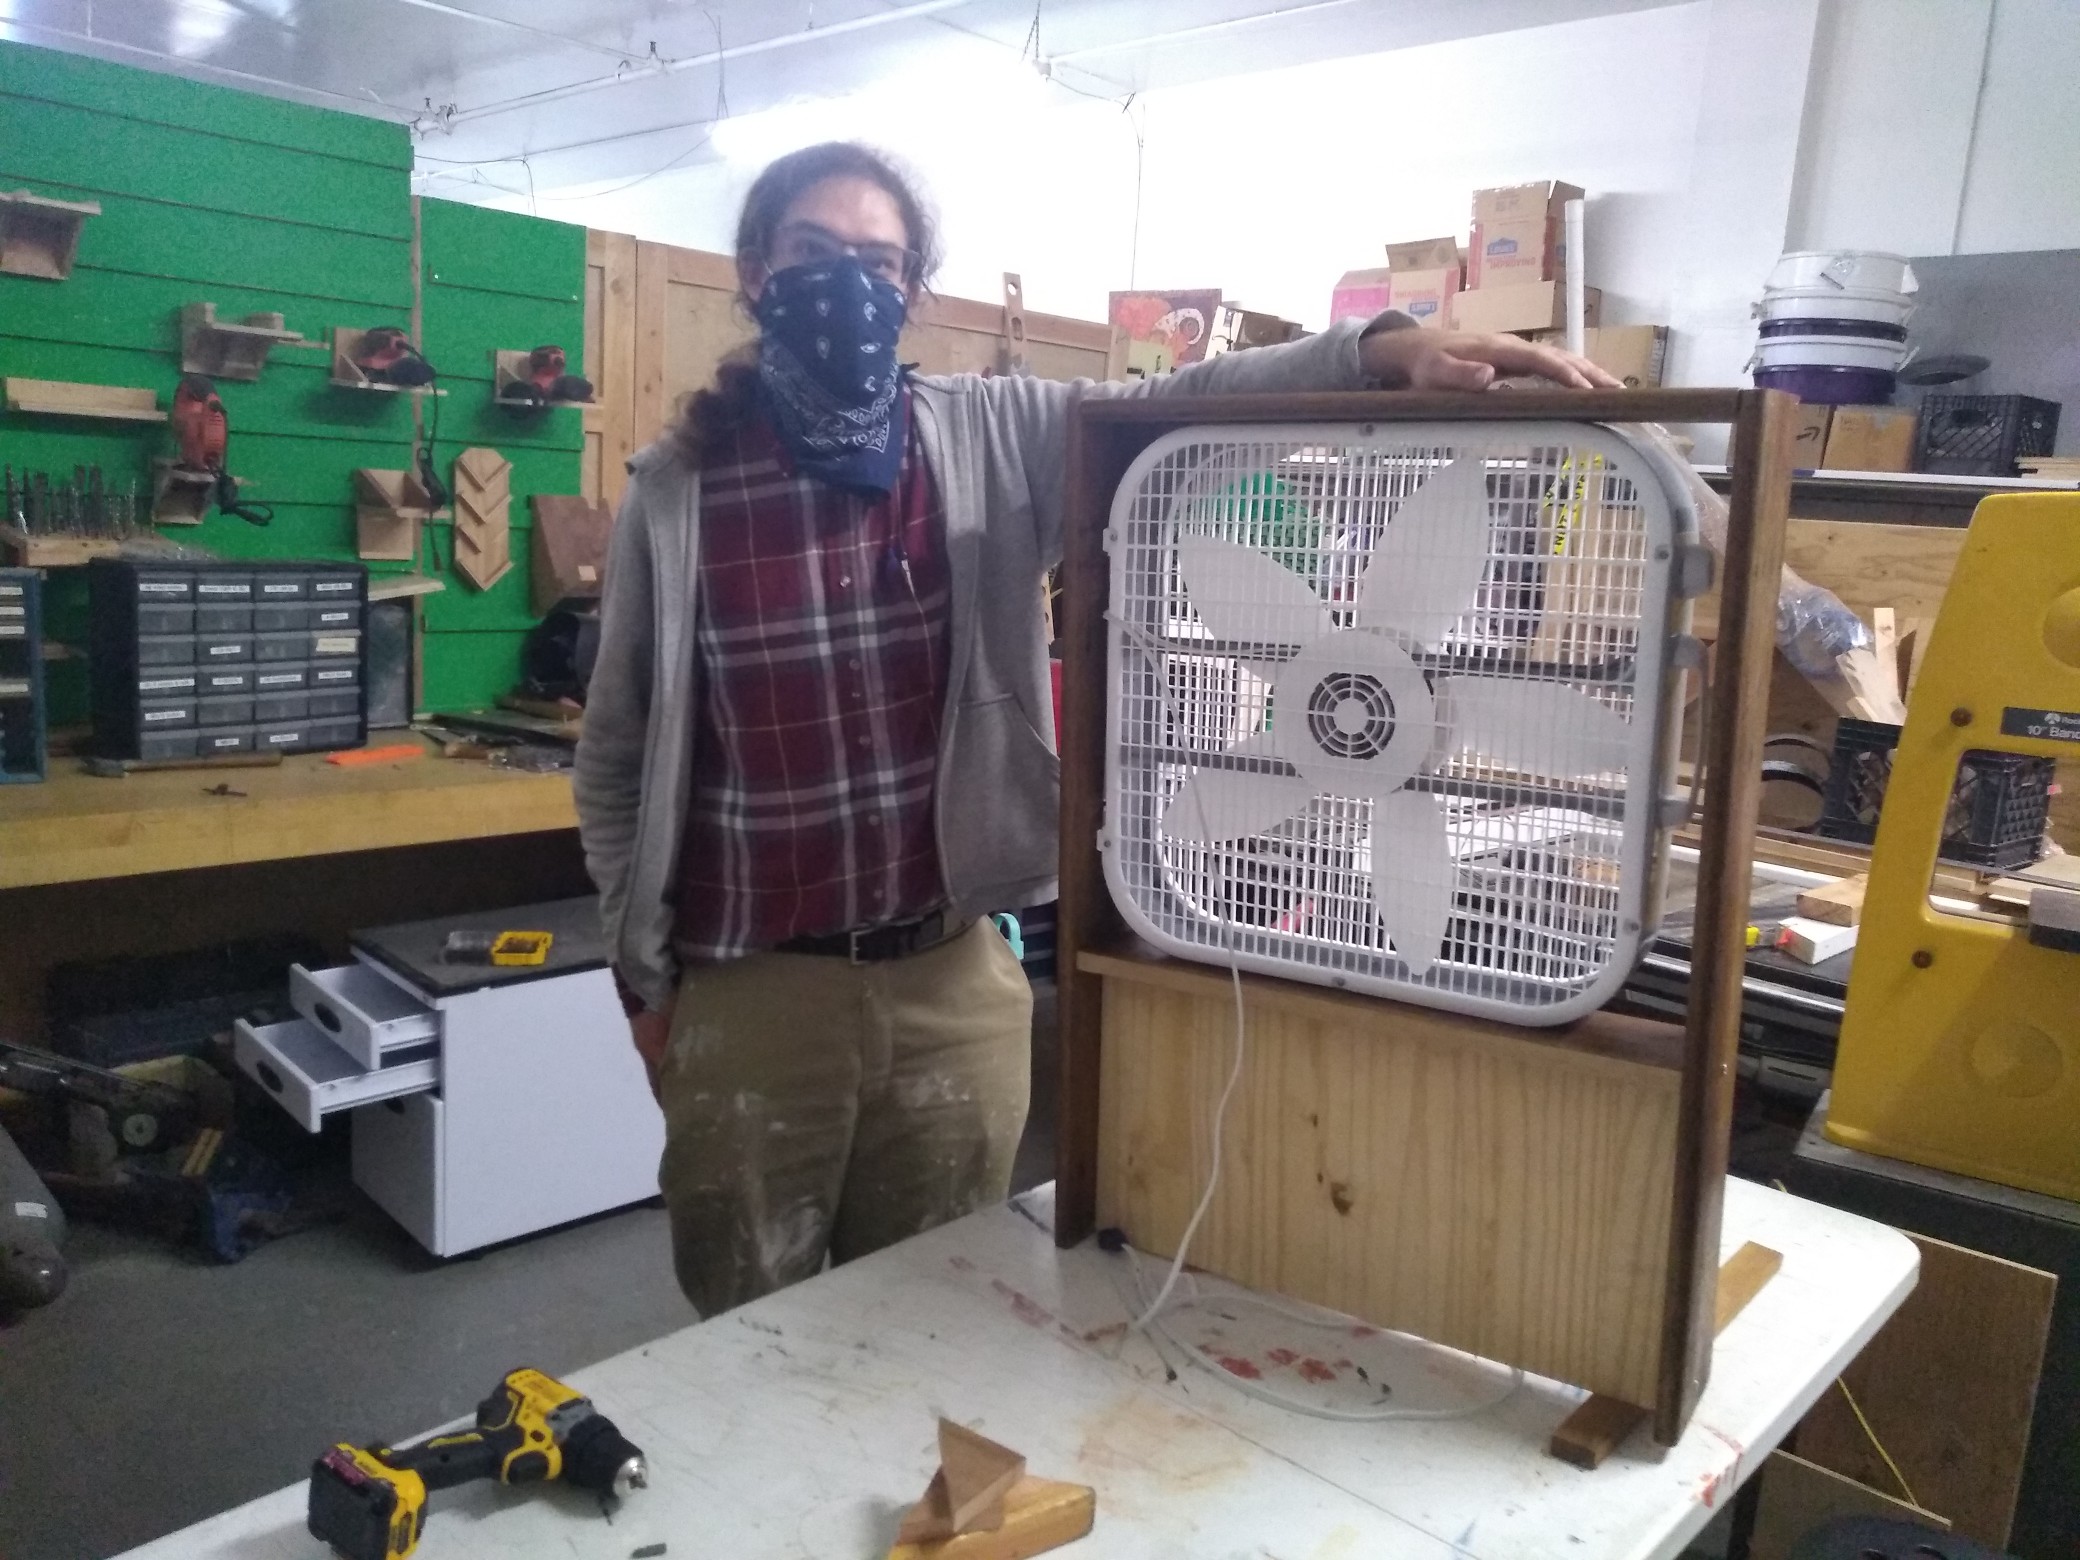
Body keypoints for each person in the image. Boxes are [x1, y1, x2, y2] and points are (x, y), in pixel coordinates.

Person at [575, 140, 1618, 1317]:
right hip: (753, 994)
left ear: (911, 290)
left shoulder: (989, 435)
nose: (846, 283)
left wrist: (1383, 350)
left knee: (932, 1323)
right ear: (758, 271)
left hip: (949, 982)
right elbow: (614, 756)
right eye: (814, 253)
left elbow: (1185, 399)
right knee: (744, 1344)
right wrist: (643, 983)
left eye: (878, 260)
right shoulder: (678, 487)